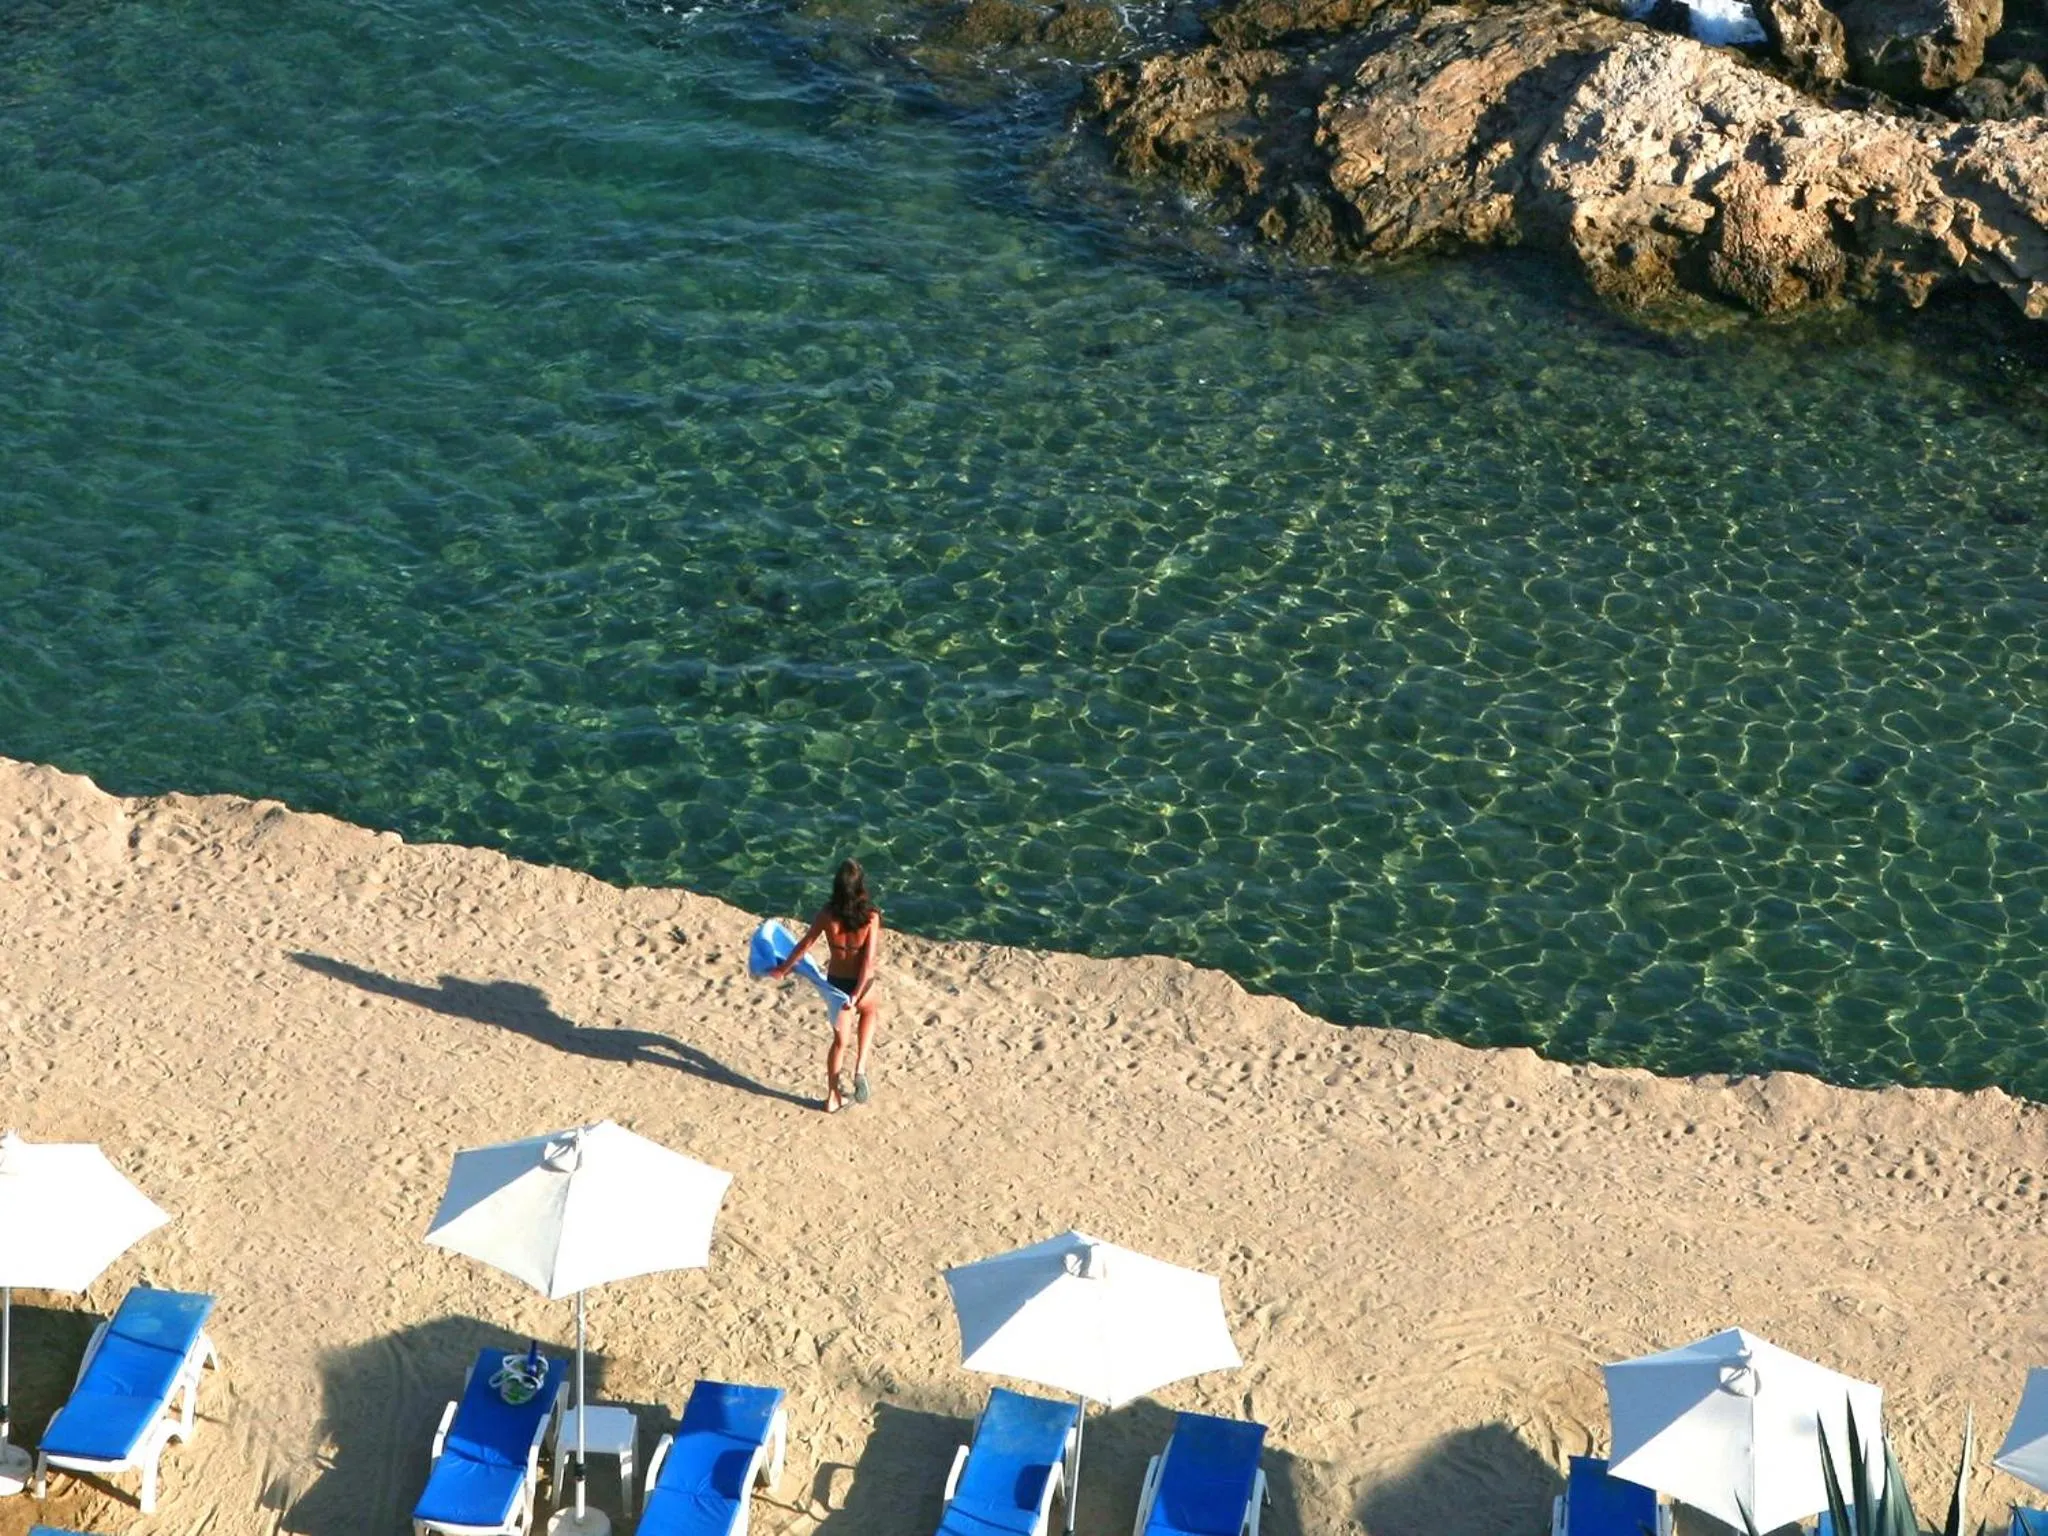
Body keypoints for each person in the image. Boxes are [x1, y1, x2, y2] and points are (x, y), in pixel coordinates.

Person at [772, 858, 884, 1113]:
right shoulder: (871, 917)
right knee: (869, 1011)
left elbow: (804, 945)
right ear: (860, 887)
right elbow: (868, 962)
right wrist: (857, 994)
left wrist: (783, 968)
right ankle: (860, 1067)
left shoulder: (826, 915)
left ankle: (833, 1098)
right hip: (861, 985)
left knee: (839, 1043)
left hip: (836, 986)